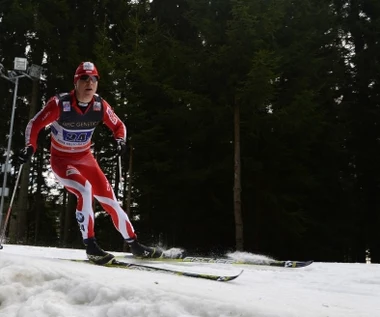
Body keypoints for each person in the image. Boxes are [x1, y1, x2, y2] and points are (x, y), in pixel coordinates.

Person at [19, 61, 163, 264]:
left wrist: (120, 140)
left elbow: (118, 125)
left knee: (110, 199)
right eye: (85, 78)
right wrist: (30, 146)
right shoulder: (60, 104)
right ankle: (91, 246)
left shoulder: (99, 105)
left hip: (86, 159)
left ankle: (134, 244)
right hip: (62, 161)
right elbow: (35, 124)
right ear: (76, 82)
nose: (90, 82)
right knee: (85, 190)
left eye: (94, 78)